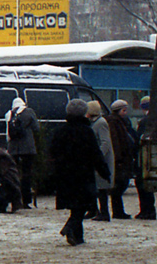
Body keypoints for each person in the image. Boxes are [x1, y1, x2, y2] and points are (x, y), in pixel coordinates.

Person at [50, 99, 107, 246]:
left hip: (65, 174)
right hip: (83, 174)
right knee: (83, 205)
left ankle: (77, 235)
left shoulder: (60, 131)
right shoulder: (86, 131)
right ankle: (70, 228)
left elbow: (52, 152)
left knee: (76, 205)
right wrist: (104, 171)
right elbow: (95, 153)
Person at [5, 97, 40, 208]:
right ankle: (26, 200)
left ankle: (14, 199)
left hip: (13, 148)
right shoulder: (29, 112)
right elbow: (36, 128)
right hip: (27, 148)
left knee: (13, 174)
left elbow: (8, 132)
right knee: (26, 175)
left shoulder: (9, 114)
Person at [106, 100, 136, 219]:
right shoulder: (114, 122)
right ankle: (118, 211)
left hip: (122, 158)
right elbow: (116, 141)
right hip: (121, 159)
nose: (125, 112)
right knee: (120, 184)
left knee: (120, 184)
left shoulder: (119, 121)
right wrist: (118, 158)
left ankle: (118, 211)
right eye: (124, 110)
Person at [86, 100, 115, 222]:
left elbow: (105, 142)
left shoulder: (101, 123)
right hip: (98, 160)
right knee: (96, 186)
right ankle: (94, 210)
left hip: (102, 161)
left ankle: (104, 212)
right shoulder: (95, 122)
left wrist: (98, 157)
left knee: (101, 187)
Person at [134, 95, 156, 219]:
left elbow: (139, 140)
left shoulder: (145, 121)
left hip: (144, 157)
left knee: (142, 184)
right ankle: (149, 210)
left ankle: (147, 210)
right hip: (151, 157)